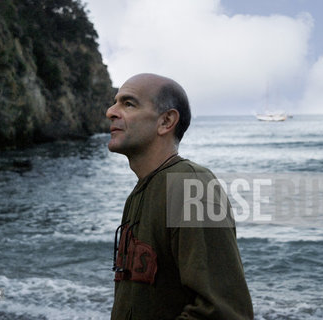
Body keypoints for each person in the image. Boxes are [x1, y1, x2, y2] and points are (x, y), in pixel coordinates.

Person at [106, 73, 253, 319]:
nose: (111, 111)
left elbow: (222, 311)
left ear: (166, 121)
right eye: (115, 102)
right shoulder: (143, 190)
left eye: (128, 103)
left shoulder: (190, 185)